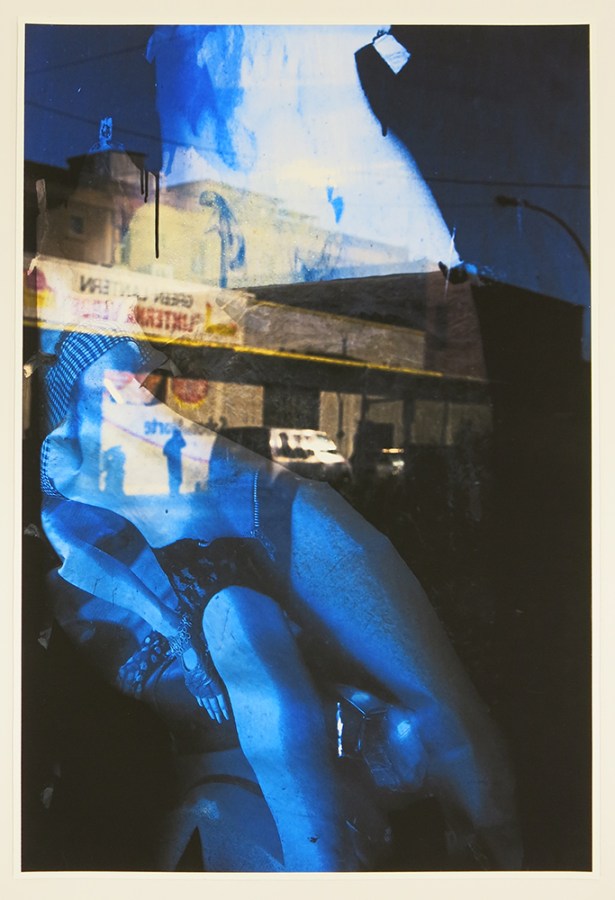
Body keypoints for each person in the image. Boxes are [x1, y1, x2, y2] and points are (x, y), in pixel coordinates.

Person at [36, 320, 523, 872]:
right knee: (284, 672)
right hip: (217, 564)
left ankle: (479, 843)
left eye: (146, 382)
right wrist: (179, 632)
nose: (146, 395)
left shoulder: (135, 451)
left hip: (256, 532)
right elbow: (82, 556)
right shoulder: (75, 474)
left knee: (441, 712)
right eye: (127, 386)